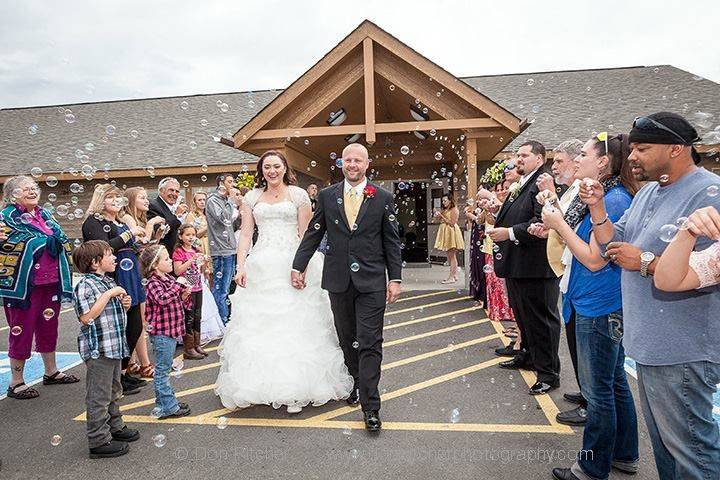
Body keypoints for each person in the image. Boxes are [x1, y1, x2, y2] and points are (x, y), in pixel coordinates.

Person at [584, 112, 720, 480]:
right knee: (666, 450)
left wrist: (643, 261)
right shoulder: (647, 192)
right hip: (648, 345)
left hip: (685, 350)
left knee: (694, 455)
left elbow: (702, 270)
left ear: (677, 148)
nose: (631, 157)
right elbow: (613, 242)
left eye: (642, 148)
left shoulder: (710, 195)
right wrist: (597, 207)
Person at [214, 151, 354, 415]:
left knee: (296, 323)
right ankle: (260, 385)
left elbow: (305, 234)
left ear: (284, 168)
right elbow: (245, 234)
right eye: (267, 167)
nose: (272, 171)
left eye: (276, 166)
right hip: (262, 266)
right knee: (263, 326)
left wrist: (302, 266)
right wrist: (240, 266)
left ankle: (297, 388)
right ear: (261, 170)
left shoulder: (299, 195)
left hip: (292, 263)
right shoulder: (252, 198)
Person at [542, 133, 640, 480]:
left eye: (583, 154)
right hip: (600, 301)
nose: (576, 159)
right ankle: (625, 454)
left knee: (598, 392)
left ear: (602, 162)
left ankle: (591, 467)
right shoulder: (606, 195)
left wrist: (558, 225)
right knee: (614, 383)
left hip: (599, 305)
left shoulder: (612, 200)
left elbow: (595, 260)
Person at [292, 143, 403, 431]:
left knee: (370, 341)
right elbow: (314, 233)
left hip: (371, 281)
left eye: (358, 160)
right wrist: (298, 265)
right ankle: (355, 380)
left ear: (367, 164)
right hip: (339, 280)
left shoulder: (382, 197)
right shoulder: (328, 196)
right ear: (342, 163)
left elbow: (391, 240)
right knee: (347, 338)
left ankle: (371, 405)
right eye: (347, 160)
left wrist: (395, 278)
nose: (352, 164)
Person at [486, 140, 562, 396]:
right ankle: (527, 355)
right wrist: (499, 210)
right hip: (519, 265)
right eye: (517, 155)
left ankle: (548, 373)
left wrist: (508, 232)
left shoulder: (542, 183)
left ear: (539, 159)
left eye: (524, 155)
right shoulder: (523, 183)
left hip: (536, 266)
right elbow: (519, 213)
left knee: (541, 320)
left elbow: (541, 220)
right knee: (523, 316)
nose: (518, 159)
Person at [0, 175, 78, 399]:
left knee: (48, 325)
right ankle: (16, 382)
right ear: (12, 194)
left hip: (51, 281)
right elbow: (10, 244)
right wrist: (44, 241)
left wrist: (54, 240)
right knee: (21, 329)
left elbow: (60, 238)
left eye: (34, 187)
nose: (33, 191)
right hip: (23, 286)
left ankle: (51, 371)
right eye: (26, 189)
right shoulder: (6, 218)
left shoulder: (44, 215)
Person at [529, 139, 587, 425]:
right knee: (576, 338)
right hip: (567, 272)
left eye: (559, 161)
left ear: (577, 162)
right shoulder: (572, 191)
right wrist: (546, 231)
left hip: (578, 275)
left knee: (582, 340)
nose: (555, 167)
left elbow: (568, 225)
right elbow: (562, 227)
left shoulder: (581, 191)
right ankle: (586, 390)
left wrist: (550, 196)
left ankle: (591, 399)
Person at [73, 240, 140, 459]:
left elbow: (110, 311)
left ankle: (115, 427)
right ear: (94, 262)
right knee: (98, 396)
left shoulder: (106, 282)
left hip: (113, 347)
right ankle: (98, 441)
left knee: (114, 390)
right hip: (98, 350)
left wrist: (125, 303)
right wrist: (109, 295)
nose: (115, 258)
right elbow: (87, 317)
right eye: (109, 254)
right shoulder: (85, 285)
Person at [82, 184, 147, 395]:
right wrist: (129, 234)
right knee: (121, 325)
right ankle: (117, 376)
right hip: (115, 276)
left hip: (130, 274)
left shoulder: (118, 221)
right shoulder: (94, 222)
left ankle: (127, 371)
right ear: (101, 200)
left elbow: (128, 246)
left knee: (135, 325)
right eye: (111, 198)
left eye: (119, 198)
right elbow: (104, 248)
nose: (116, 202)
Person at [140, 244, 192, 420]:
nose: (170, 261)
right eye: (167, 259)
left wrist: (184, 296)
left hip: (170, 331)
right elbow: (162, 300)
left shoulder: (168, 279)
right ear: (155, 265)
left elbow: (176, 300)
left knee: (165, 369)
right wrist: (178, 286)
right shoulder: (153, 283)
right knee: (162, 371)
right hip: (162, 334)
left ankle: (165, 403)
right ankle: (168, 407)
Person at [118, 186, 165, 379]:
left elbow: (146, 246)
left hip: (137, 269)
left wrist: (158, 236)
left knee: (139, 321)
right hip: (129, 270)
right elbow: (140, 241)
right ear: (130, 200)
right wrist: (152, 223)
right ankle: (138, 363)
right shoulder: (128, 218)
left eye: (147, 197)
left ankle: (135, 362)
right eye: (142, 198)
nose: (147, 201)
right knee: (136, 320)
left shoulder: (139, 219)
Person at [205, 174, 237, 324]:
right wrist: (231, 200)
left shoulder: (224, 201)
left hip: (229, 249)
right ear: (221, 184)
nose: (233, 184)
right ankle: (221, 321)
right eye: (230, 182)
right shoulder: (213, 200)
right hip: (221, 250)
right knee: (221, 289)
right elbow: (224, 218)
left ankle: (225, 317)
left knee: (227, 287)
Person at [172, 224, 207, 360]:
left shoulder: (195, 249)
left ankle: (197, 344)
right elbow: (177, 271)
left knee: (198, 316)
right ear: (180, 236)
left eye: (193, 234)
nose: (191, 237)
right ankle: (189, 348)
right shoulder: (178, 252)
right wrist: (191, 259)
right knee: (189, 317)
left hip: (198, 286)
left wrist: (203, 261)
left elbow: (201, 270)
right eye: (188, 235)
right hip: (187, 289)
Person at [147, 177, 186, 254]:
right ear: (161, 191)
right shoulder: (153, 205)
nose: (174, 194)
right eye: (171, 190)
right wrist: (177, 216)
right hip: (163, 253)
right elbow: (161, 232)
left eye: (177, 191)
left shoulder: (174, 207)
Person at [434, 194, 464, 284]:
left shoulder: (454, 209)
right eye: (442, 201)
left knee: (451, 255)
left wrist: (442, 216)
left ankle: (451, 277)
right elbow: (438, 220)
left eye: (445, 200)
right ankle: (454, 275)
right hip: (447, 232)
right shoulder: (447, 209)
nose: (443, 202)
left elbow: (452, 223)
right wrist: (437, 215)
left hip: (451, 232)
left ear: (450, 200)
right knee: (450, 255)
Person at [464, 190, 487, 306]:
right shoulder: (479, 208)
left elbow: (481, 221)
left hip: (484, 239)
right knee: (476, 263)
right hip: (477, 238)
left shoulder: (488, 207)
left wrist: (472, 216)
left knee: (482, 264)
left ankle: (483, 293)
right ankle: (477, 291)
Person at [185, 191, 209, 256]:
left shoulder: (208, 215)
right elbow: (190, 236)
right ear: (194, 202)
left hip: (211, 246)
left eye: (204, 200)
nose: (202, 202)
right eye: (199, 200)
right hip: (199, 245)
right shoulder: (191, 215)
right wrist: (208, 227)